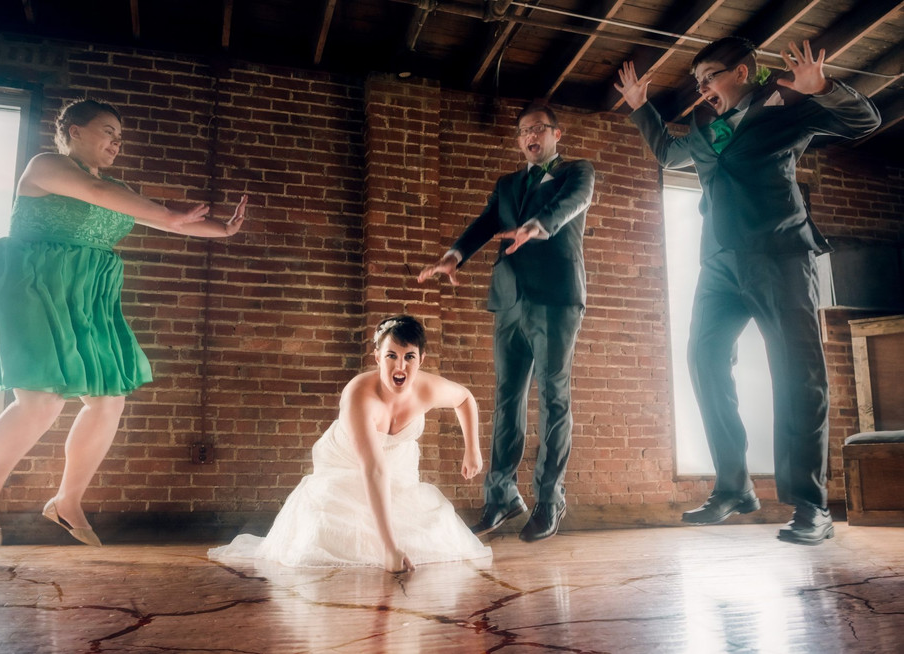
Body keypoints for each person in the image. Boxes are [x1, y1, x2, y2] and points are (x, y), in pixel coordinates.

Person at [615, 38, 880, 545]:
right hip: (718, 264)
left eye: (710, 77)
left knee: (797, 374)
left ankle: (811, 505)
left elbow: (863, 122)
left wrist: (823, 87)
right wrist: (640, 106)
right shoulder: (704, 129)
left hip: (779, 255)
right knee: (704, 360)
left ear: (741, 72)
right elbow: (668, 154)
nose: (702, 89)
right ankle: (734, 487)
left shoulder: (785, 107)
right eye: (698, 82)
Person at [0, 99, 248, 550]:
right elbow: (98, 194)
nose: (117, 142)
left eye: (120, 137)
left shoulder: (118, 188)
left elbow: (168, 223)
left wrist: (223, 230)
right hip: (31, 285)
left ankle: (67, 501)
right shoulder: (46, 165)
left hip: (87, 294)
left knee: (109, 400)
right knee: (42, 401)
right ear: (74, 130)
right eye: (108, 131)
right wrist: (167, 213)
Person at [418, 102, 595, 542]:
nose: (530, 136)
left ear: (556, 134)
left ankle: (549, 500)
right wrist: (455, 255)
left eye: (539, 129)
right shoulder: (507, 184)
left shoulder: (576, 172)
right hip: (509, 299)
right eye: (523, 131)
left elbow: (573, 203)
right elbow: (485, 224)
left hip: (556, 298)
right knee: (506, 400)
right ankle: (501, 497)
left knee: (553, 398)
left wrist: (537, 225)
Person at [209, 315, 489, 573]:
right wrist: (389, 549)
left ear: (421, 359)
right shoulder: (359, 395)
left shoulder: (427, 388)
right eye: (391, 355)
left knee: (432, 534)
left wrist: (472, 450)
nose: (400, 366)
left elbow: (464, 398)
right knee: (330, 536)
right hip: (345, 464)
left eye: (409, 357)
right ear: (377, 356)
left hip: (398, 467)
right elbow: (374, 468)